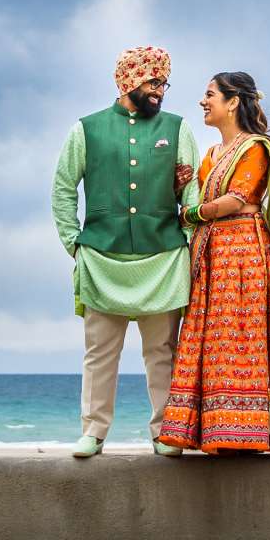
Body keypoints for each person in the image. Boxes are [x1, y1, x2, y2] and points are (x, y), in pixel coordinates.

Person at [50, 46, 203, 458]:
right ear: (127, 81)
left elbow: (191, 192)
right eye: (153, 82)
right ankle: (94, 432)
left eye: (163, 83)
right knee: (100, 354)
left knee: (163, 353)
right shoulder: (86, 129)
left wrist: (189, 241)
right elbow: (64, 189)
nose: (160, 91)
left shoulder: (179, 128)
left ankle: (165, 431)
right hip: (101, 260)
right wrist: (74, 244)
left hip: (165, 258)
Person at [157, 72, 270, 455]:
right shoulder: (211, 155)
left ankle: (244, 432)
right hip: (211, 253)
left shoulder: (254, 148)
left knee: (241, 334)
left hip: (242, 253)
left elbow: (237, 197)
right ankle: (214, 431)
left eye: (210, 94)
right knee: (211, 336)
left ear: (233, 102)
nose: (202, 101)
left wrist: (192, 213)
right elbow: (195, 192)